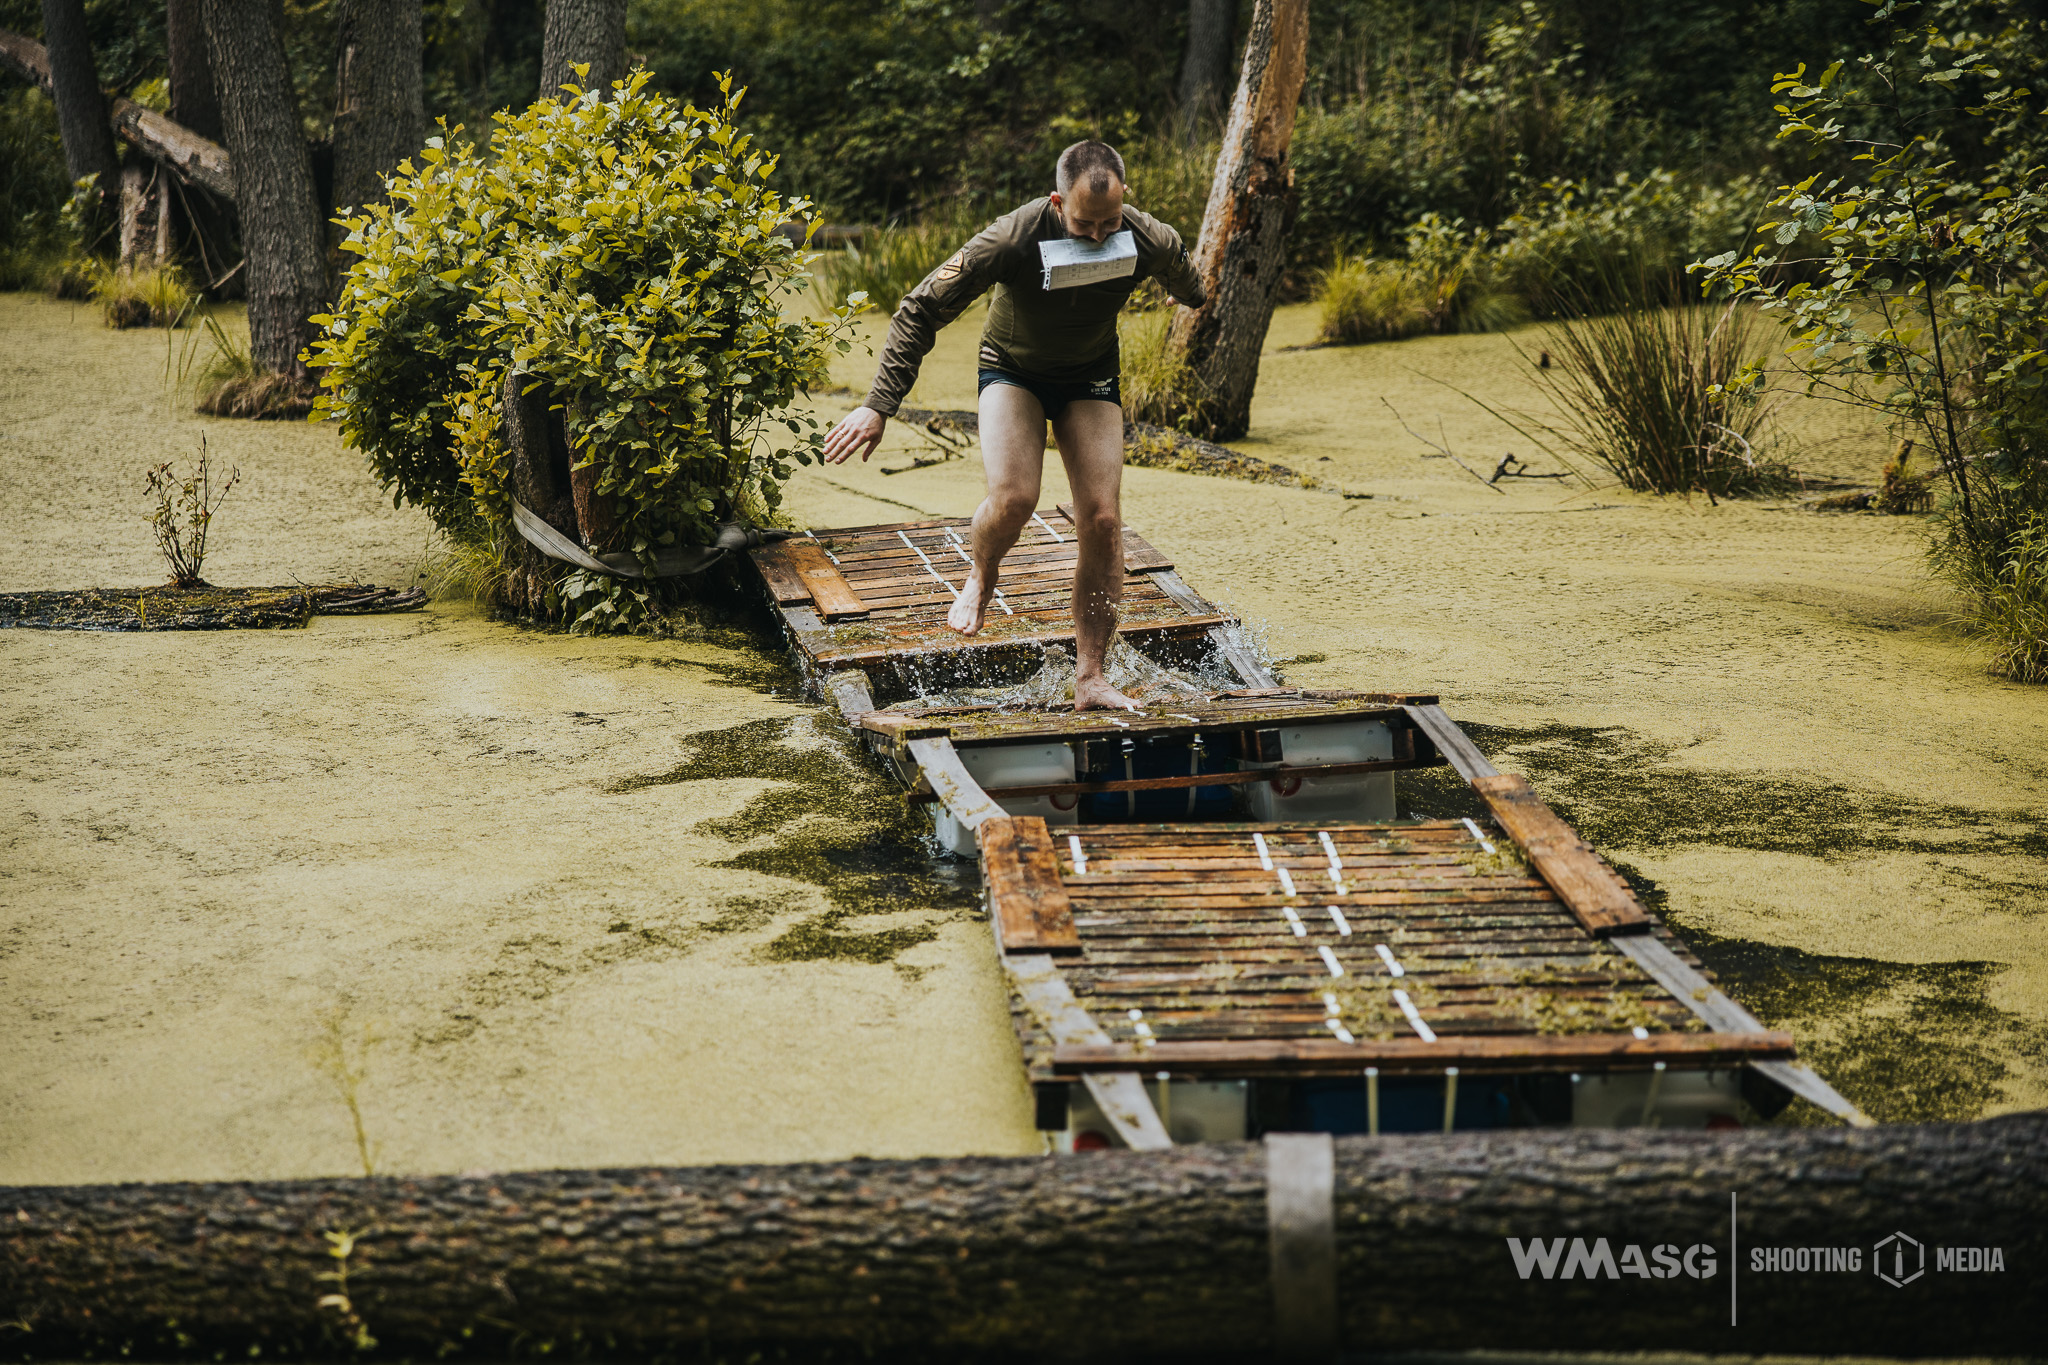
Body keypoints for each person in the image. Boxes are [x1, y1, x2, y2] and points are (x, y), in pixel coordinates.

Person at [820, 140, 1207, 711]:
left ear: (1126, 201)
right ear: (1057, 202)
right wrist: (878, 405)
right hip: (1013, 370)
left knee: (1102, 518)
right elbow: (919, 307)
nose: (1099, 235)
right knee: (1016, 496)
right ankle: (981, 573)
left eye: (1110, 222)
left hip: (1089, 377)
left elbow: (1189, 283)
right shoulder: (1013, 237)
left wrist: (1181, 283)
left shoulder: (1148, 236)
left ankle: (1090, 677)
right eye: (1083, 223)